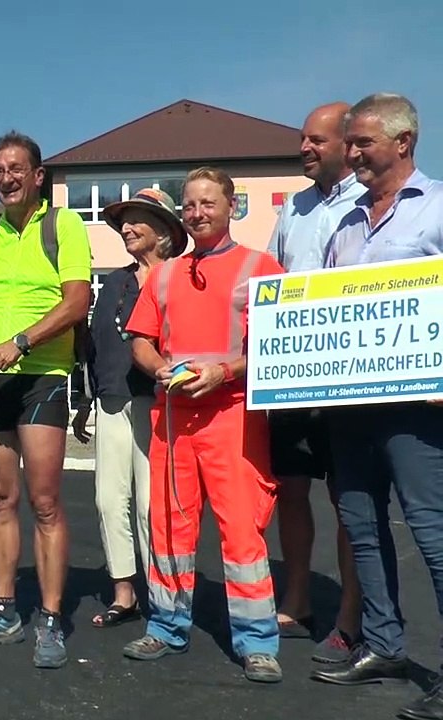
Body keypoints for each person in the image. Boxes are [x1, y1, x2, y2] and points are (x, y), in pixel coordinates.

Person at [122, 166, 286, 683]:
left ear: (232, 207)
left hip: (233, 415)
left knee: (242, 530)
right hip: (173, 418)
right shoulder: (164, 274)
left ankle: (256, 642)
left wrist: (225, 372)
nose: (197, 213)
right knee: (170, 526)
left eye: (208, 203)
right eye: (189, 205)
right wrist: (158, 368)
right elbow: (141, 340)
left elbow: (278, 345)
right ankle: (166, 625)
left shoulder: (261, 267)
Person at [310, 93, 443, 720]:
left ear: (403, 142)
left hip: (416, 408)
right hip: (349, 407)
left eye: (363, 142)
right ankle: (384, 645)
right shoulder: (346, 223)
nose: (352, 153)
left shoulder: (438, 207)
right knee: (362, 528)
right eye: (350, 142)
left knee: (432, 531)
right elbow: (325, 309)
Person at [0, 132, 91, 670]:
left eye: (15, 169)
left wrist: (22, 342)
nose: (6, 178)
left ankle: (51, 619)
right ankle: (3, 611)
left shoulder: (64, 225)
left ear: (37, 176)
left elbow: (77, 301)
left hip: (41, 376)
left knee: (45, 502)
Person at [265, 102, 364, 664]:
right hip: (294, 379)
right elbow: (273, 279)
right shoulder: (294, 208)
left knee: (349, 497)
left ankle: (351, 612)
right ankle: (298, 597)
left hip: (349, 381)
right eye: (303, 139)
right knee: (291, 489)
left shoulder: (372, 202)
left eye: (315, 140)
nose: (304, 148)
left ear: (347, 144)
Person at [71, 187, 187, 631]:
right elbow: (95, 344)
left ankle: (162, 593)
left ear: (165, 231)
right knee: (107, 500)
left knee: (150, 505)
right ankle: (125, 592)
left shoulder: (182, 277)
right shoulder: (115, 283)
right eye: (124, 221)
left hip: (161, 404)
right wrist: (85, 400)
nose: (127, 228)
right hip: (113, 399)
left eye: (138, 219)